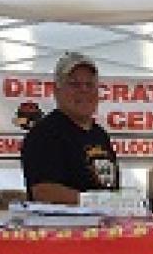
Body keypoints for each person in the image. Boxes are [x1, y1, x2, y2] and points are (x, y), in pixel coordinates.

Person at [21, 51, 119, 204]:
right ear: (56, 91)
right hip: (62, 227)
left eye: (90, 84)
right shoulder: (45, 133)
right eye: (75, 84)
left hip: (102, 225)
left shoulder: (100, 134)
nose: (84, 90)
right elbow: (44, 191)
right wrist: (98, 202)